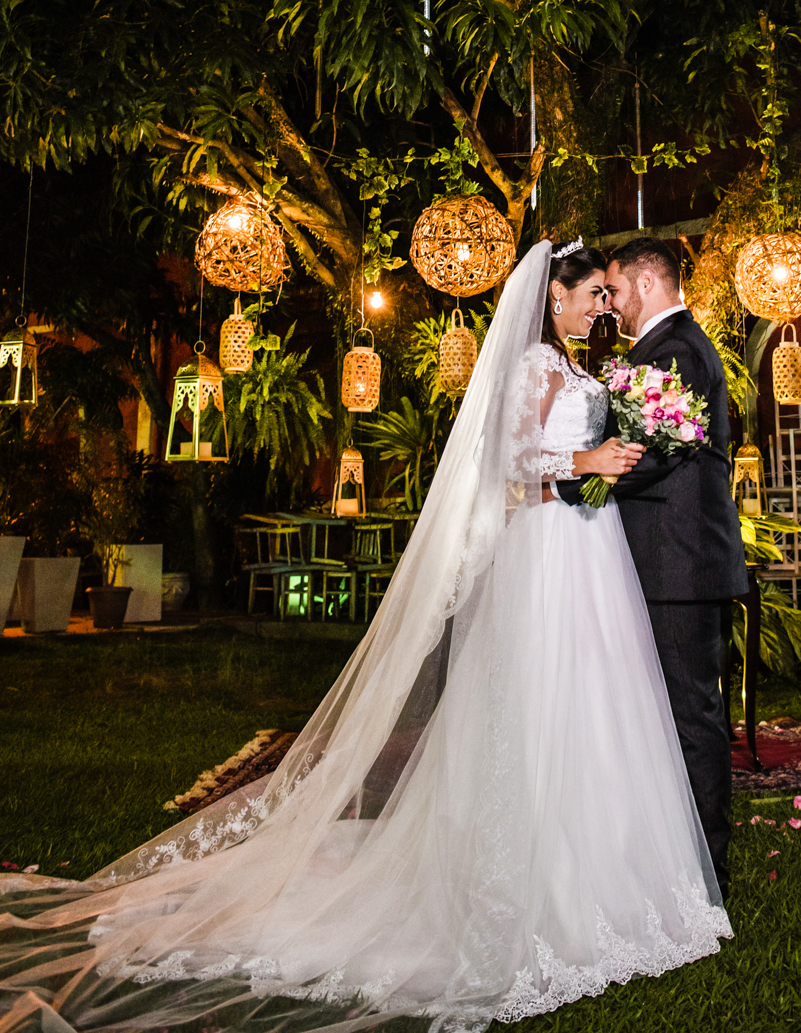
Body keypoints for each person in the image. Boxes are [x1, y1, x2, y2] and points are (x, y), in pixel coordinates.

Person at [0, 241, 732, 1033]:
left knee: (598, 711)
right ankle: (532, 877)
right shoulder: (528, 367)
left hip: (593, 559)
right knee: (539, 708)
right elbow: (508, 470)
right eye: (592, 292)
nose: (602, 305)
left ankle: (607, 870)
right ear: (552, 297)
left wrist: (598, 463)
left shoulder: (586, 368)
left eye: (608, 293)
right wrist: (581, 463)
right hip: (552, 557)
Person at [556, 236, 748, 899]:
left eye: (612, 290)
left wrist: (563, 481)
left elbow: (646, 455)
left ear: (645, 283)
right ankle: (670, 859)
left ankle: (703, 882)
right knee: (665, 717)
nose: (608, 306)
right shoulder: (668, 349)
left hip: (677, 566)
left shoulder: (671, 349)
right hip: (668, 564)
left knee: (690, 719)